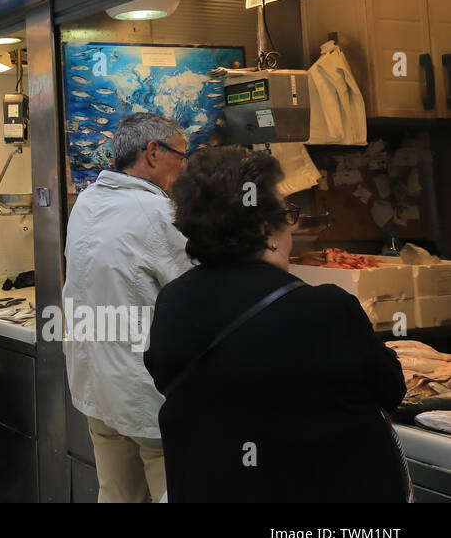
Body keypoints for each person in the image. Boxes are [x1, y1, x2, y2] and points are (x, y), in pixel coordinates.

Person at [144, 146, 410, 501]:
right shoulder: (325, 308)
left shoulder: (172, 301)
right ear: (268, 229)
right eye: (288, 214)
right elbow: (391, 389)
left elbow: (168, 377)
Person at [63, 112, 191, 503]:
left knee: (117, 494)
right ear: (153, 152)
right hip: (145, 397)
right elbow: (196, 290)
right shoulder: (157, 213)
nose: (184, 167)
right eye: (181, 156)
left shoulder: (86, 201)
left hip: (95, 387)